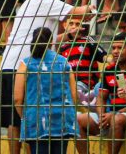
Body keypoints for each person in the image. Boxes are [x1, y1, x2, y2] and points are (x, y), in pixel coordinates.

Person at [0, 0, 94, 154]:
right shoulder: (43, 1)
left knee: (15, 119)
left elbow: (43, 40)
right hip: (24, 66)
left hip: (12, 64)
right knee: (21, 117)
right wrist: (92, 9)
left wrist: (67, 35)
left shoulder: (30, 3)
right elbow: (79, 11)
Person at [79, 31, 126, 154]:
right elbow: (101, 97)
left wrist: (114, 115)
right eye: (113, 48)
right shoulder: (109, 70)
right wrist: (102, 116)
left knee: (117, 120)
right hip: (111, 115)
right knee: (79, 119)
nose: (115, 51)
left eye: (120, 48)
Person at [14, 26, 79, 154]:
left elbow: (17, 99)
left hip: (36, 119)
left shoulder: (26, 64)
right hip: (62, 119)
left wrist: (26, 116)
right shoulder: (64, 62)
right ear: (51, 42)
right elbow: (73, 94)